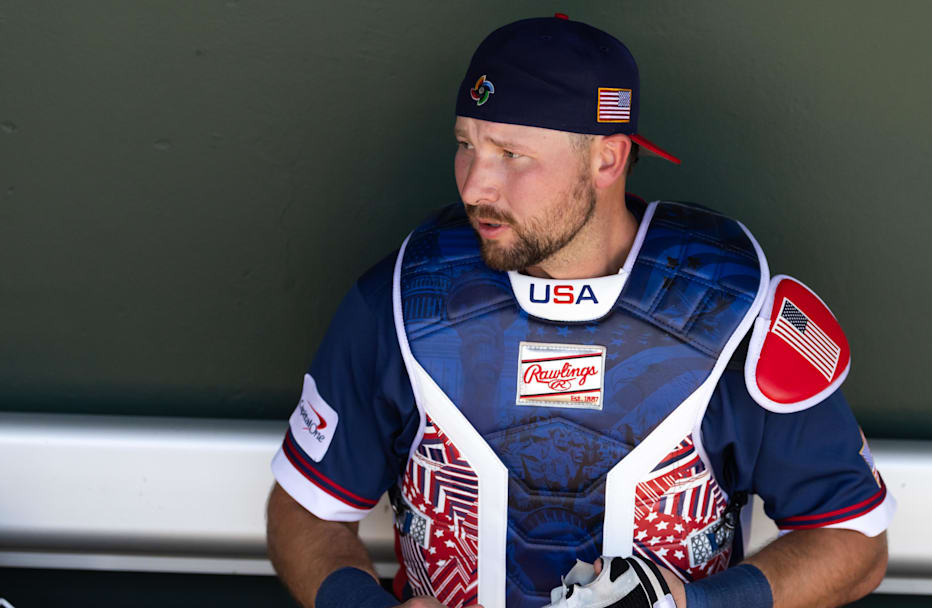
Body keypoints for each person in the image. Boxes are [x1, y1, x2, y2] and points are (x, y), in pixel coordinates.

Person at [266, 13, 895, 608]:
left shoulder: (731, 313)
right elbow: (303, 511)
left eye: (512, 155)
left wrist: (698, 603)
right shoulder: (402, 301)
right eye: (467, 145)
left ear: (607, 158)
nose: (473, 185)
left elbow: (854, 541)